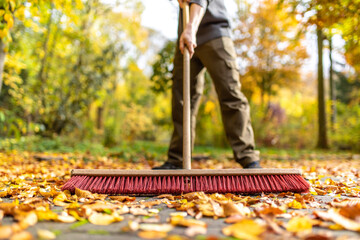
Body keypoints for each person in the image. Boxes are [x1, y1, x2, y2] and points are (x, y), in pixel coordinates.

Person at [153, 0, 261, 169]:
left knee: (230, 93)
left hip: (215, 33)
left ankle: (249, 159)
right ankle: (176, 160)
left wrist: (190, 29)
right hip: (185, 39)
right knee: (181, 100)